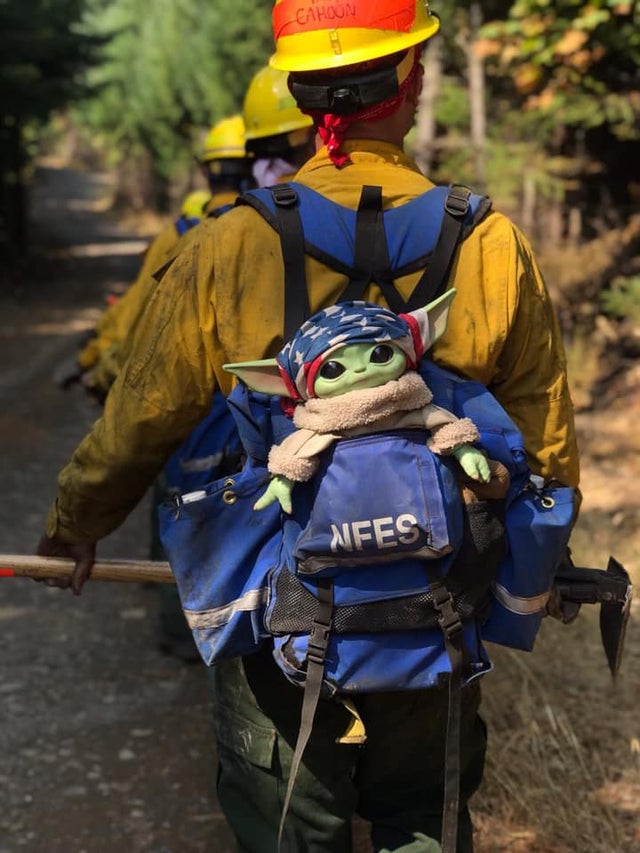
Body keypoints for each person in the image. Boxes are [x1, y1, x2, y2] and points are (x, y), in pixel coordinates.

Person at [37, 1, 580, 850]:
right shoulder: (490, 242)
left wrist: (76, 523)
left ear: (300, 95)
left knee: (290, 824)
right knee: (423, 822)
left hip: (282, 612)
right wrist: (546, 566)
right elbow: (545, 434)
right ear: (413, 82)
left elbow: (142, 414)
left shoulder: (230, 245)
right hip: (438, 603)